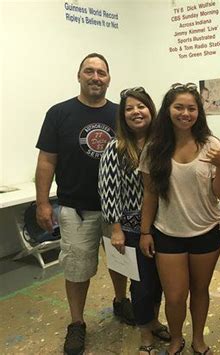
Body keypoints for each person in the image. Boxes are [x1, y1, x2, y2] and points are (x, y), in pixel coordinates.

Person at [35, 53, 134, 355]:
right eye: (89, 71)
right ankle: (77, 323)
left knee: (120, 263)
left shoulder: (121, 115)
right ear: (79, 75)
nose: (95, 77)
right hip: (77, 209)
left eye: (101, 73)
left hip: (117, 209)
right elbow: (46, 160)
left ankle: (120, 301)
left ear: (109, 79)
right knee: (77, 270)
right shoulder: (59, 113)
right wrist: (42, 203)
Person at [139, 83, 220, 355]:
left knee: (200, 290)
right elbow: (150, 195)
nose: (185, 113)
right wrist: (145, 232)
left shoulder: (211, 145)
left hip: (206, 231)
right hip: (168, 232)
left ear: (198, 112)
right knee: (176, 295)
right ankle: (176, 338)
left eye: (191, 108)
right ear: (168, 110)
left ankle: (198, 339)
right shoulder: (154, 149)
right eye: (179, 107)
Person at [98, 87, 171, 354]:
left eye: (140, 106)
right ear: (123, 116)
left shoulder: (163, 145)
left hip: (163, 226)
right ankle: (145, 336)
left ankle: (154, 321)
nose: (136, 112)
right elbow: (108, 191)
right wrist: (115, 229)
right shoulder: (114, 148)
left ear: (151, 110)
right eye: (129, 108)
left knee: (161, 281)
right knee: (141, 285)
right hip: (129, 229)